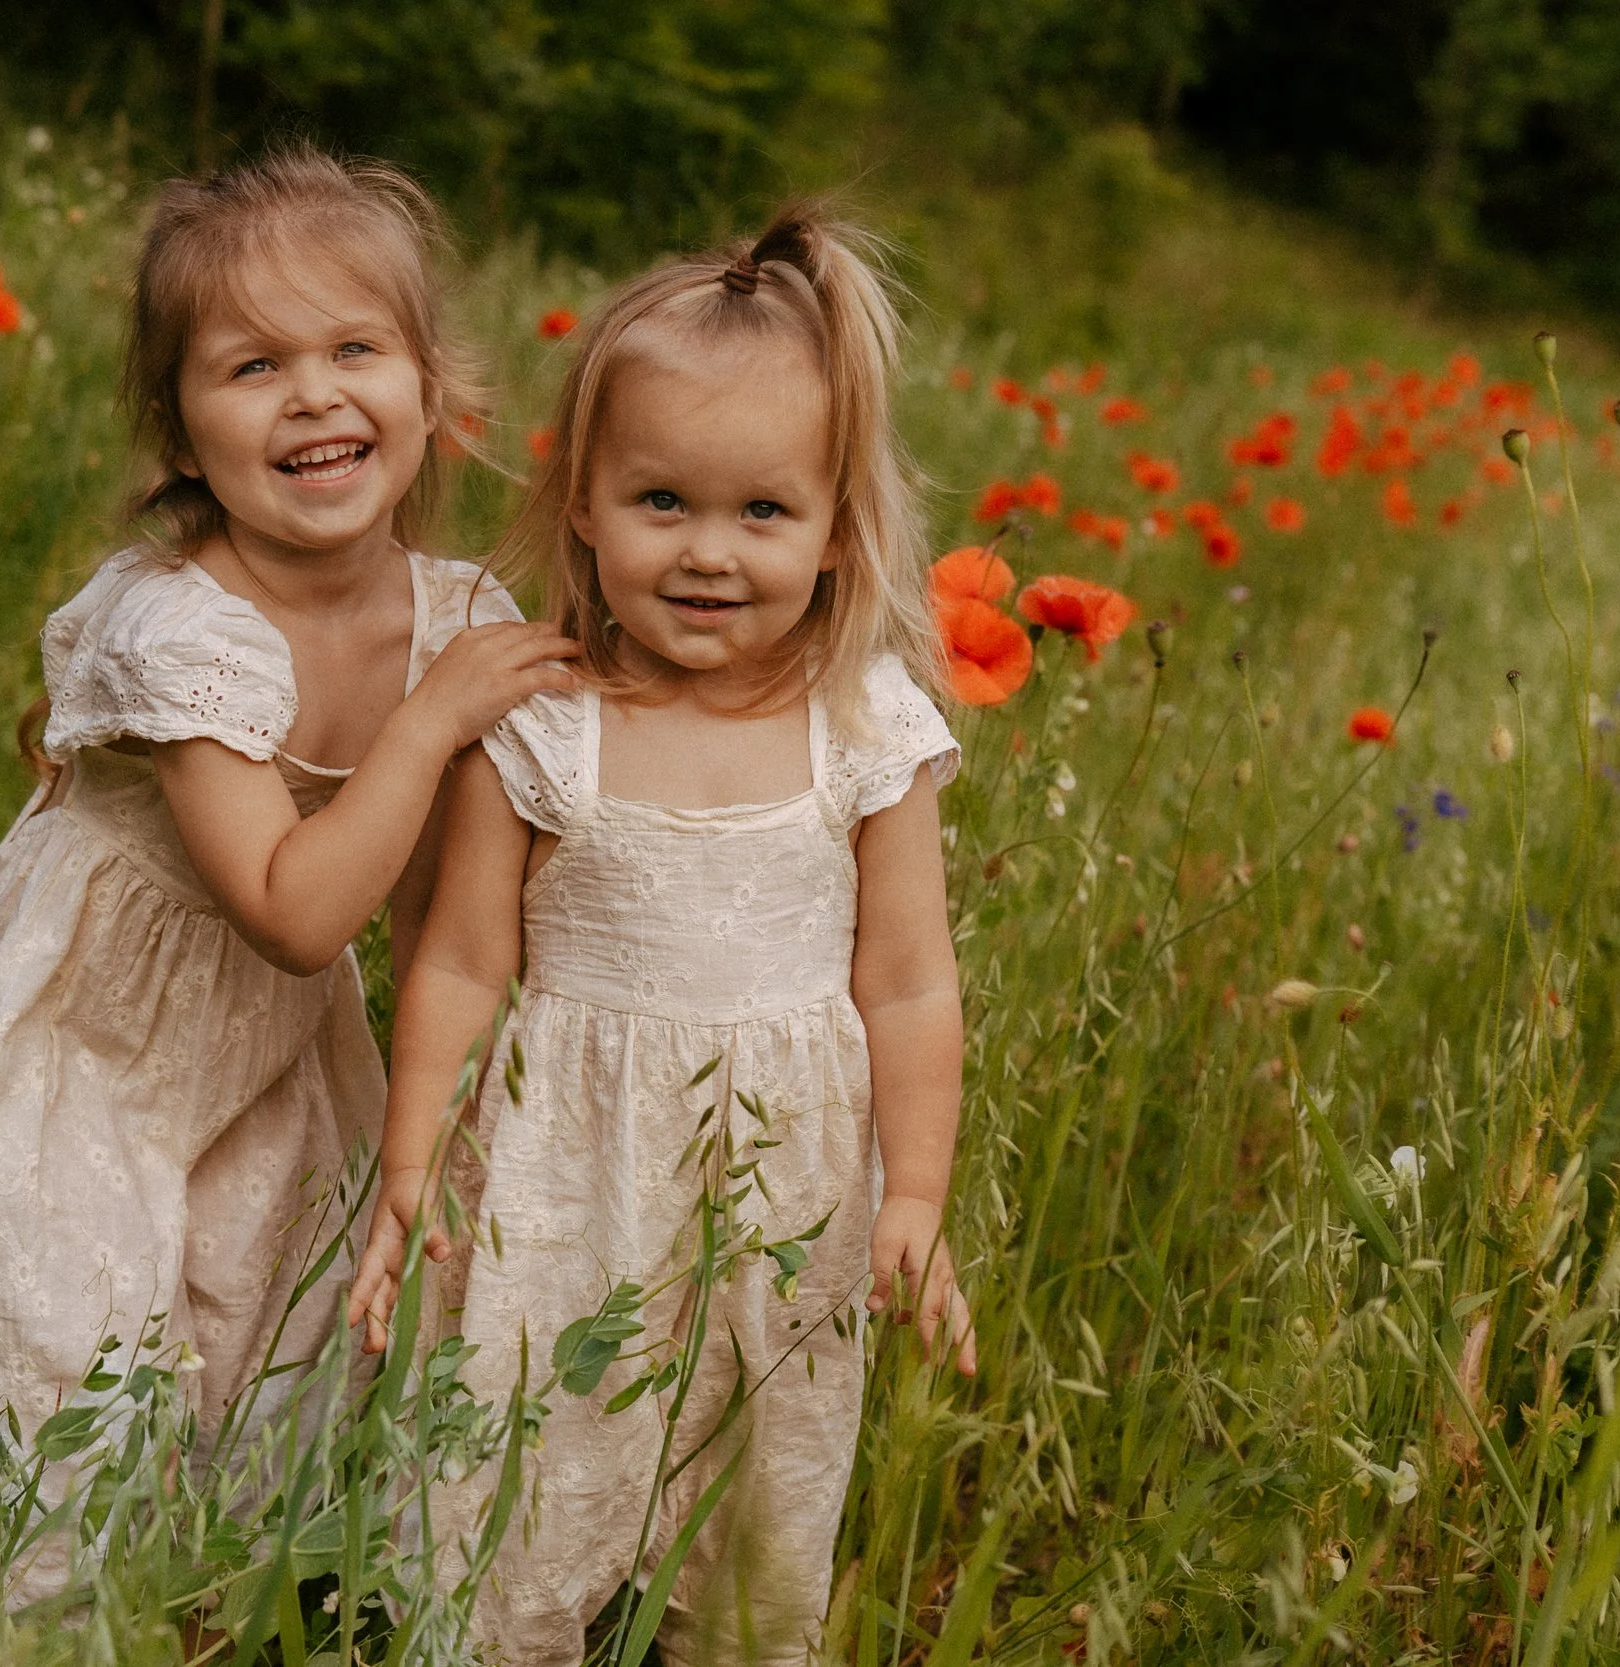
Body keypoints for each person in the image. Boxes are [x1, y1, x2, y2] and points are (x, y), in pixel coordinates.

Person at [0, 145, 576, 1606]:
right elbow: (292, 911)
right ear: (182, 425)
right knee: (78, 1354)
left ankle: (236, 1607)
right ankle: (57, 1625)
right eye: (253, 364)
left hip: (280, 1047)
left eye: (357, 349)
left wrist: (441, 1131)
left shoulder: (454, 618)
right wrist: (432, 717)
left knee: (273, 1336)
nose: (315, 395)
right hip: (93, 1027)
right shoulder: (177, 627)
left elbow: (427, 924)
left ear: (430, 383)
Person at [347, 207, 979, 1664]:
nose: (708, 553)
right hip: (563, 1181)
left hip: (786, 1199)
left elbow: (908, 981)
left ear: (836, 528)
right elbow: (458, 958)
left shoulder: (866, 731)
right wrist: (414, 1148)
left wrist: (914, 1195)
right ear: (583, 502)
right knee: (523, 1460)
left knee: (755, 1495)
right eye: (660, 503)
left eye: (763, 513)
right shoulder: (546, 723)